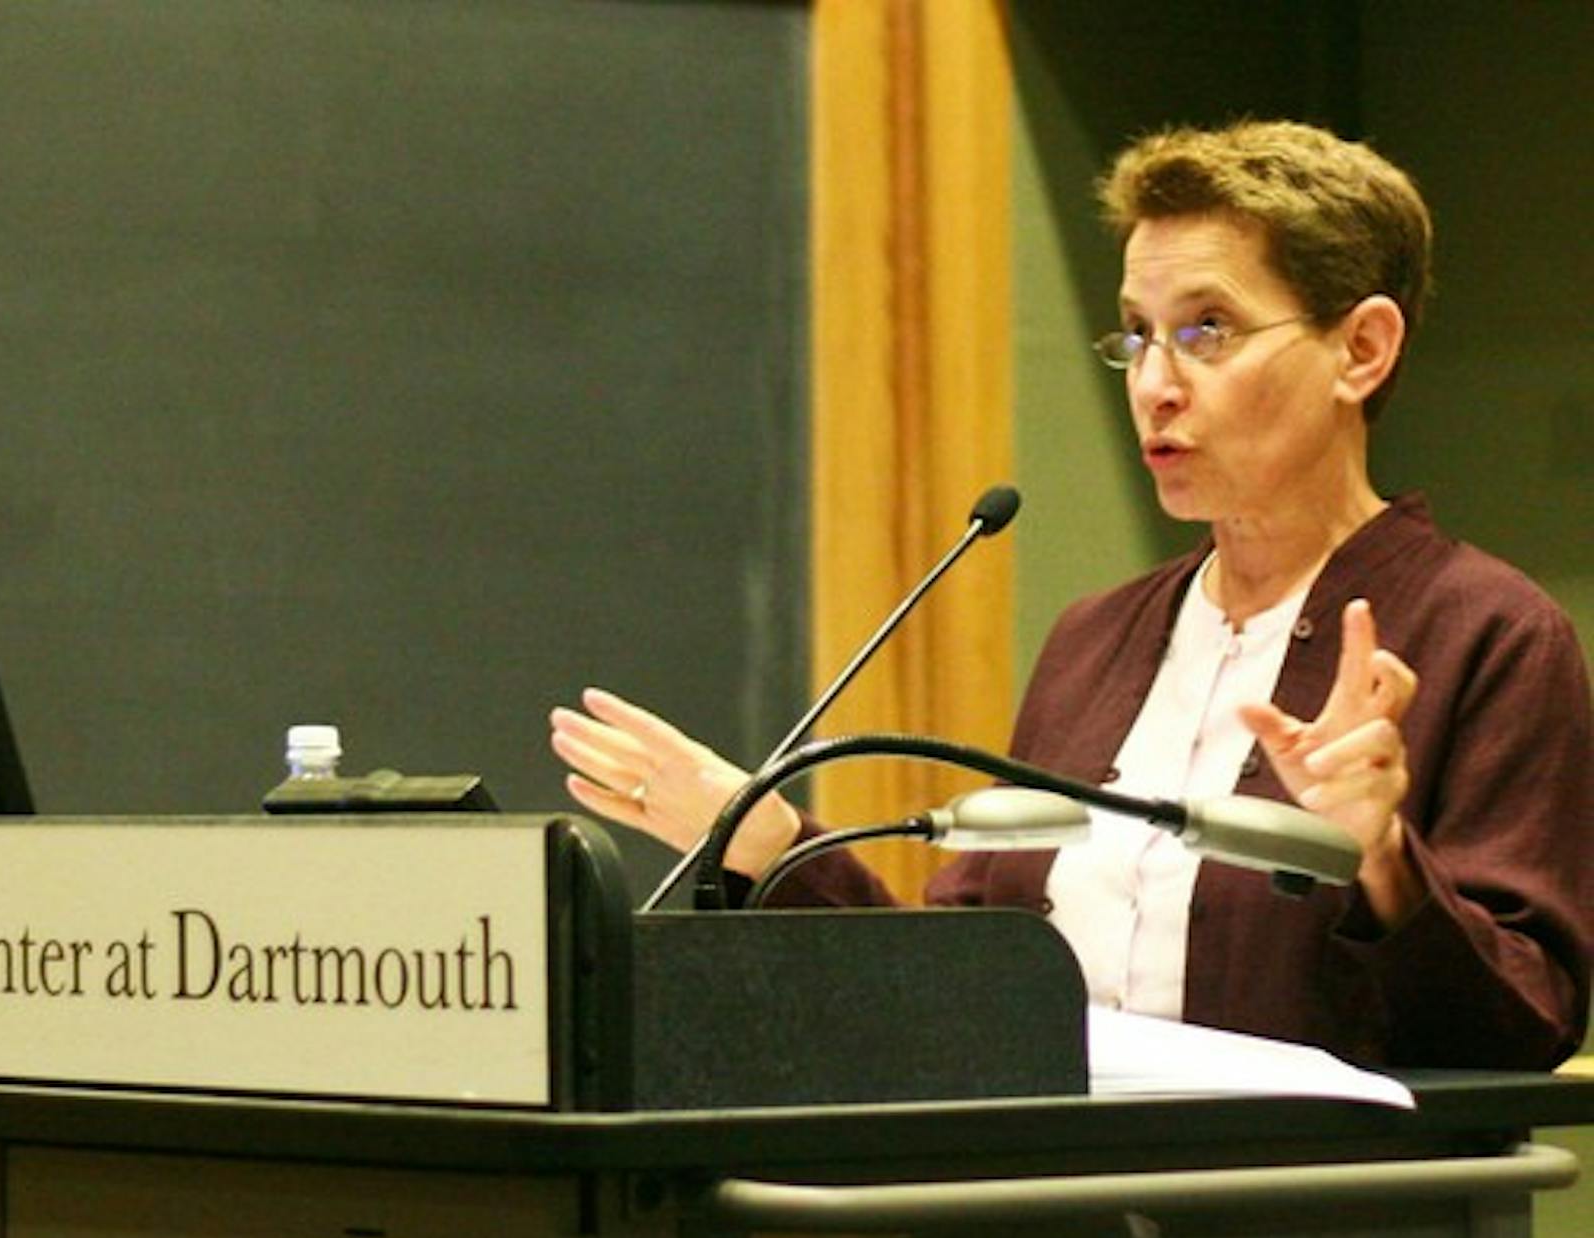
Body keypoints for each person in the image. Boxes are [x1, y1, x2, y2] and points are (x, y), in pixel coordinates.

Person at [549, 120, 1591, 1071]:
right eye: (1135, 334)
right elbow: (970, 986)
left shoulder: (1488, 634)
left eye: (1206, 330)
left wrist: (1381, 865)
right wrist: (771, 844)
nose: (1153, 383)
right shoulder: (1097, 638)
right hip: (1052, 1226)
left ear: (1359, 349)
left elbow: (1527, 1021)